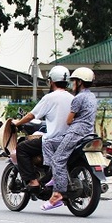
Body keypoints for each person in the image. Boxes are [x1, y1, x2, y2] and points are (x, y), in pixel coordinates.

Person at [8, 66, 73, 190]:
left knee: (22, 148)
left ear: (51, 81)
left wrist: (17, 123)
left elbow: (31, 115)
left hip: (54, 140)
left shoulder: (50, 97)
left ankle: (33, 182)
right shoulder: (72, 98)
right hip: (69, 139)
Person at [43, 67, 98, 210]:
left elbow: (68, 121)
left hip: (75, 133)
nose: (72, 85)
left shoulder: (78, 98)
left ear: (79, 82)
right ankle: (56, 175)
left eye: (74, 82)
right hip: (88, 133)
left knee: (58, 159)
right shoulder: (92, 97)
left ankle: (57, 194)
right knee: (48, 143)